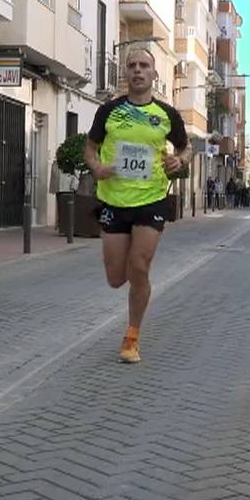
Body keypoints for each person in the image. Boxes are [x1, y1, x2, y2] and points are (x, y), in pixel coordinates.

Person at [85, 47, 191, 364]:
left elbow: (186, 150)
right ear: (126, 73)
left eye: (144, 65)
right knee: (117, 278)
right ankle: (136, 283)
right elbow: (90, 148)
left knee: (140, 266)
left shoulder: (167, 115)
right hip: (114, 200)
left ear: (154, 74)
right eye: (132, 65)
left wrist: (178, 161)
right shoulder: (109, 111)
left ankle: (132, 335)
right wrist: (96, 168)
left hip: (151, 199)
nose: (137, 70)